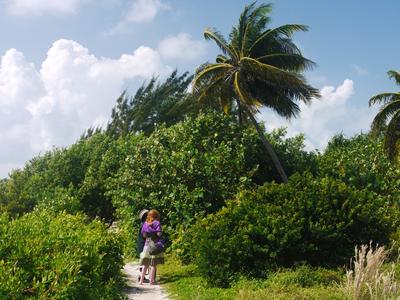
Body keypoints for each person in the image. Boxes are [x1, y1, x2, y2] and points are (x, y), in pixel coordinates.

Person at [139, 209, 164, 285]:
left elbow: (144, 235)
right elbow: (159, 234)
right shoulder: (157, 223)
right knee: (153, 265)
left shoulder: (145, 224)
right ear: (156, 215)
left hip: (147, 245)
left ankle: (141, 281)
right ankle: (151, 281)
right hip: (154, 245)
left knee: (145, 264)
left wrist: (149, 233)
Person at [137, 209, 149, 282]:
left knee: (143, 261)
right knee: (143, 261)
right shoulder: (145, 224)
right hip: (143, 245)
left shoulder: (143, 224)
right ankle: (141, 276)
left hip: (141, 244)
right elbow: (145, 235)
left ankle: (142, 276)